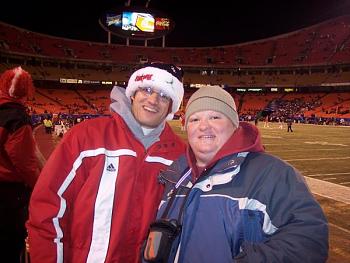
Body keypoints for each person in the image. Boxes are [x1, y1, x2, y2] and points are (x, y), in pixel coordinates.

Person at [143, 86, 328, 263]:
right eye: (194, 119)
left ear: (234, 125)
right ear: (186, 127)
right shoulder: (174, 176)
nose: (203, 126)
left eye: (215, 117)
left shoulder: (272, 173)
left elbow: (310, 238)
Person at [27, 62, 187, 263]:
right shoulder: (86, 136)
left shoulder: (181, 156)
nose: (153, 100)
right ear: (133, 94)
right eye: (147, 89)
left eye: (164, 96)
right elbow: (48, 210)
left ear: (172, 106)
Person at [0, 66, 41, 262]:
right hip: (9, 193)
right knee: (10, 242)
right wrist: (41, 185)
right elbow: (24, 164)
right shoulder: (17, 117)